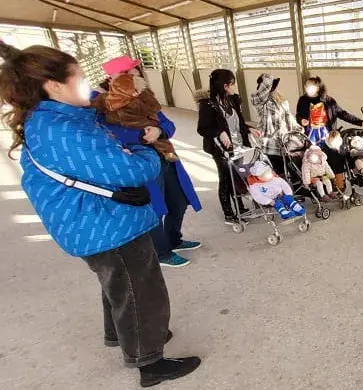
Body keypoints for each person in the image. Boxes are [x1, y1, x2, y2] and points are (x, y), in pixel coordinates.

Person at [0, 42, 200, 387]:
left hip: (93, 224)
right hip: (106, 225)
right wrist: (147, 149)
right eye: (78, 75)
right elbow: (130, 170)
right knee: (141, 289)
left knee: (117, 284)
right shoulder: (62, 130)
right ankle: (149, 362)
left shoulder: (54, 119)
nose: (87, 83)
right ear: (54, 85)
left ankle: (122, 336)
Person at [95, 56, 202, 268]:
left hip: (165, 156)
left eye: (135, 69)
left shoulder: (146, 97)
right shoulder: (103, 104)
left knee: (178, 200)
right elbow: (108, 134)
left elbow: (169, 124)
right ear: (111, 78)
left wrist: (159, 131)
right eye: (128, 71)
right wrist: (140, 137)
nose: (135, 74)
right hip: (140, 163)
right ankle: (160, 251)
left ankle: (174, 239)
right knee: (154, 207)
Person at [196, 69, 261, 225]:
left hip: (238, 146)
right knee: (226, 179)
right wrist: (220, 133)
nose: (234, 87)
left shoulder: (232, 100)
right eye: (233, 84)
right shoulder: (208, 104)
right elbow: (202, 128)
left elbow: (237, 123)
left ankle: (240, 208)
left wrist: (249, 129)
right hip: (221, 149)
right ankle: (229, 214)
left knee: (238, 177)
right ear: (225, 85)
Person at [295, 76, 363, 146]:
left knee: (328, 152)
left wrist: (360, 122)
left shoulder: (329, 101)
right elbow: (298, 115)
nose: (307, 88)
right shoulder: (302, 100)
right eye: (306, 86)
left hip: (327, 134)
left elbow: (342, 113)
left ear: (318, 87)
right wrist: (301, 120)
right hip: (310, 133)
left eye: (310, 86)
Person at [251, 73, 296, 175]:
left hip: (286, 141)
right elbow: (259, 96)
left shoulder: (283, 101)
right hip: (271, 144)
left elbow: (289, 117)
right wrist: (267, 79)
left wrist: (297, 128)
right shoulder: (262, 103)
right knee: (277, 172)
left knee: (292, 170)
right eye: (273, 86)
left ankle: (290, 189)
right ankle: (279, 190)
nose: (275, 88)